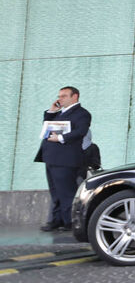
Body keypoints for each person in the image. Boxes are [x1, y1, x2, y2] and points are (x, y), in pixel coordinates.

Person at [34, 86, 92, 232]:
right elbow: (46, 126)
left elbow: (81, 131)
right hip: (51, 157)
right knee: (55, 192)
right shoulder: (59, 113)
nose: (60, 99)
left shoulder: (82, 114)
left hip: (65, 159)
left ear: (75, 97)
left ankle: (71, 222)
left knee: (67, 192)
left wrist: (60, 137)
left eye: (64, 96)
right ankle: (57, 220)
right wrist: (51, 111)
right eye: (59, 96)